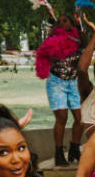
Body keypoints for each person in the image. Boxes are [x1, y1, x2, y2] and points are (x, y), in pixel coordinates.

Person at [35, 13, 84, 166]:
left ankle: (74, 149)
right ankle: (58, 153)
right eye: (60, 22)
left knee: (80, 118)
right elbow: (44, 52)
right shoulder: (52, 41)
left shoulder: (78, 39)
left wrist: (79, 24)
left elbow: (86, 42)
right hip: (56, 82)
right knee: (62, 117)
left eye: (66, 21)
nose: (62, 24)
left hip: (73, 82)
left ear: (71, 24)